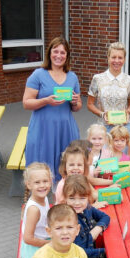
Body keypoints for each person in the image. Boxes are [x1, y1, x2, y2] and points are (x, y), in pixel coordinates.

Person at [23, 37, 82, 185]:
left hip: (66, 128)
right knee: (41, 165)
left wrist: (75, 102)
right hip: (43, 128)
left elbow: (77, 106)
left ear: (67, 56)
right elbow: (26, 103)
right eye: (55, 51)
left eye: (63, 52)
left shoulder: (72, 77)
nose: (59, 55)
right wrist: (46, 101)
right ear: (49, 53)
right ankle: (39, 199)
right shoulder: (38, 74)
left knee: (67, 166)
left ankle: (64, 198)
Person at [87, 42, 130, 126]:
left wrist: (126, 112)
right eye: (113, 57)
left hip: (123, 127)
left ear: (124, 59)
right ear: (108, 58)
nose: (116, 61)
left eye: (120, 58)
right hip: (104, 127)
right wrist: (102, 114)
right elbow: (90, 104)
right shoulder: (97, 79)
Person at [20, 163, 52, 258]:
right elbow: (28, 238)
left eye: (45, 181)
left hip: (43, 241)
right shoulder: (34, 209)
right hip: (34, 250)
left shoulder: (44, 198)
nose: (42, 185)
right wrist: (50, 244)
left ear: (50, 182)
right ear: (29, 185)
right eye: (37, 182)